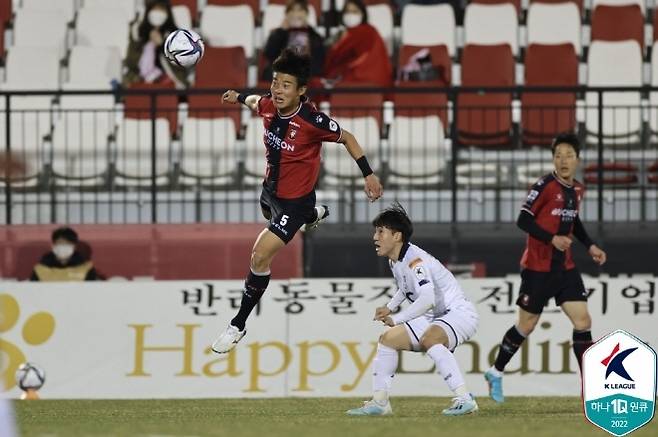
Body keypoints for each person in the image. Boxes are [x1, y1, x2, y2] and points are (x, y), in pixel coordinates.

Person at [212, 48, 383, 353]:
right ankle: (312, 217)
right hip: (269, 193)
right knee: (268, 218)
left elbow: (349, 138)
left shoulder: (313, 121)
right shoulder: (267, 105)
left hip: (295, 202)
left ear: (301, 90)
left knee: (259, 257)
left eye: (286, 85)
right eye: (275, 82)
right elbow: (255, 101)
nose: (277, 90)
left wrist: (368, 175)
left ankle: (237, 324)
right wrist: (237, 96)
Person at [484, 132, 607, 403]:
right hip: (537, 268)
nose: (563, 160)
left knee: (583, 321)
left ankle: (589, 385)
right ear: (553, 159)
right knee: (526, 326)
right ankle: (495, 372)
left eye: (569, 155)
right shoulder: (544, 185)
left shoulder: (578, 189)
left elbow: (574, 222)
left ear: (577, 160)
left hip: (565, 268)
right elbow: (522, 220)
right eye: (558, 155)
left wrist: (590, 246)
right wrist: (551, 238)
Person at [346, 203, 479, 416]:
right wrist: (389, 307)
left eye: (381, 231)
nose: (375, 237)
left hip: (458, 313)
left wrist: (397, 318)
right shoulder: (396, 260)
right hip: (437, 316)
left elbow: (427, 299)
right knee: (387, 339)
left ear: (397, 236)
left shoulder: (415, 261)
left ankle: (465, 399)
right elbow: (405, 287)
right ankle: (380, 403)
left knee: (430, 339)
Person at [322, 0, 392, 88]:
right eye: (347, 11)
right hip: (340, 80)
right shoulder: (339, 35)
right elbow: (331, 62)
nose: (350, 15)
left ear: (362, 14)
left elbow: (369, 59)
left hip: (363, 80)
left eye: (355, 11)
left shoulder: (370, 32)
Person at [123, 0, 188, 88]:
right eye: (155, 9)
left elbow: (180, 67)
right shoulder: (139, 34)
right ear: (148, 12)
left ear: (167, 13)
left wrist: (162, 45)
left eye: (161, 10)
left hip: (167, 84)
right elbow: (131, 63)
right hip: (140, 83)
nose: (158, 13)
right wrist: (137, 42)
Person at [262, 0, 325, 83]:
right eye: (292, 10)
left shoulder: (315, 36)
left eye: (300, 10)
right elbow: (269, 54)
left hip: (305, 74)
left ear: (306, 14)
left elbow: (319, 61)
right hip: (282, 72)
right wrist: (282, 31)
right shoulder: (278, 33)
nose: (296, 13)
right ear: (287, 14)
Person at [30, 227, 101, 281]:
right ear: (53, 245)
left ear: (74, 246)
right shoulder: (40, 270)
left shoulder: (86, 269)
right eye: (60, 243)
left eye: (67, 244)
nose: (63, 247)